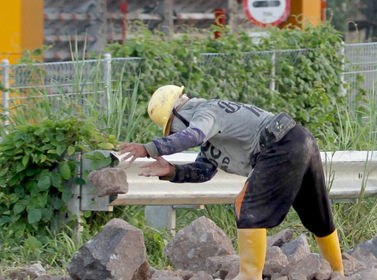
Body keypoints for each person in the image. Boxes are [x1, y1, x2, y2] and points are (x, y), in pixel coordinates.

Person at [117, 85, 344, 279]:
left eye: (171, 129)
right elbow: (205, 171)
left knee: (246, 208)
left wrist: (149, 149)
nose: (173, 133)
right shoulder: (212, 138)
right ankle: (338, 272)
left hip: (279, 145)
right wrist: (172, 171)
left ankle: (249, 276)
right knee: (315, 213)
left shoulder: (205, 111)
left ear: (178, 114)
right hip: (298, 139)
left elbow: (193, 135)